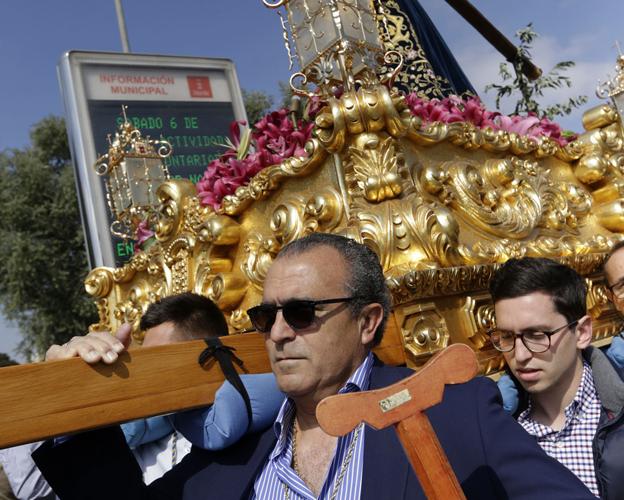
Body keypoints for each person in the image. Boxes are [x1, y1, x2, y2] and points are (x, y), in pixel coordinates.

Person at [33, 233, 594, 499]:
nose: (278, 332)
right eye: (265, 314)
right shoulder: (227, 466)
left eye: (301, 312)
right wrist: (73, 402)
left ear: (368, 321)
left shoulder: (455, 409)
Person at [3, 293, 282, 497]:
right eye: (144, 360)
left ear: (208, 352)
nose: (149, 374)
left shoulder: (251, 434)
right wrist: (75, 396)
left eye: (160, 359)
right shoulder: (142, 435)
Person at [489, 257, 624, 498]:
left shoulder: (617, 409)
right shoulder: (497, 432)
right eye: (507, 337)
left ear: (582, 332)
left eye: (537, 335)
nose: (520, 355)